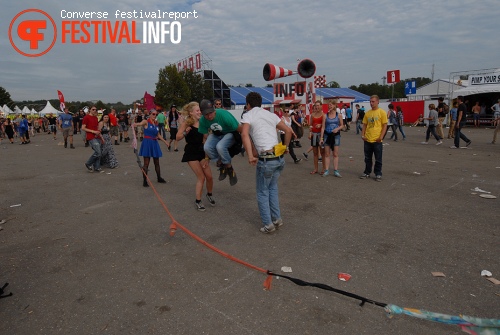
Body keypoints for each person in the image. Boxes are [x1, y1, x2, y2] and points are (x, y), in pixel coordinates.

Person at [241, 92, 292, 234]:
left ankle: (268, 224)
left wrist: (250, 155)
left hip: (266, 159)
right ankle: (277, 219)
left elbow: (244, 134)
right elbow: (288, 131)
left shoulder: (248, 114)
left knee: (262, 192)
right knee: (272, 188)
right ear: (261, 103)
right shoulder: (271, 115)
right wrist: (286, 147)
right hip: (278, 158)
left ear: (248, 105)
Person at [176, 102, 215, 211]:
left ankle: (209, 194)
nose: (200, 112)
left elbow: (205, 141)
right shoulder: (186, 123)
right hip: (191, 152)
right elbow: (177, 137)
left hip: (202, 151)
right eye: (197, 110)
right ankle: (198, 201)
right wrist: (185, 133)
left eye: (200, 110)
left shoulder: (203, 123)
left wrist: (207, 157)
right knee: (201, 177)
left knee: (210, 176)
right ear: (191, 112)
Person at [199, 99, 242, 186]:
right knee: (206, 147)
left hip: (230, 133)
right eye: (206, 114)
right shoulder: (202, 120)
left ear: (214, 110)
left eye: (210, 113)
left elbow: (240, 128)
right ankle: (222, 164)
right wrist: (207, 157)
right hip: (216, 134)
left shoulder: (223, 115)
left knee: (220, 146)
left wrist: (245, 144)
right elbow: (205, 138)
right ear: (202, 113)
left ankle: (229, 169)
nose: (209, 116)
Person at [134, 109, 170, 187]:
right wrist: (135, 124)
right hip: (147, 143)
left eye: (156, 114)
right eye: (153, 114)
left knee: (156, 162)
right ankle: (145, 181)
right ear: (150, 114)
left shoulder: (156, 123)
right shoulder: (146, 121)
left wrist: (165, 142)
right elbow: (140, 123)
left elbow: (158, 135)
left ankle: (159, 177)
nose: (155, 116)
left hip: (154, 143)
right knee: (146, 163)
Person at [360, 95, 387, 182]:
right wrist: (363, 135)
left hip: (377, 140)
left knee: (378, 158)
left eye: (373, 101)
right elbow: (364, 125)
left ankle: (378, 173)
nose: (371, 103)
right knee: (367, 158)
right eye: (370, 101)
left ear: (378, 102)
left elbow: (384, 125)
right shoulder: (367, 113)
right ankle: (367, 172)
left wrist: (381, 137)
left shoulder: (382, 112)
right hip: (368, 139)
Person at [319, 100, 343, 177]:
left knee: (335, 153)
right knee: (327, 153)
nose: (330, 106)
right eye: (329, 105)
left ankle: (336, 170)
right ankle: (326, 170)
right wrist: (321, 138)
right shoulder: (325, 115)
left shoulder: (338, 115)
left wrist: (337, 129)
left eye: (331, 105)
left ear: (335, 105)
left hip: (336, 135)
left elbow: (342, 125)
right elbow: (323, 127)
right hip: (327, 135)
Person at [82, 106, 104, 173]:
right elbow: (83, 128)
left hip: (97, 136)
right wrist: (93, 131)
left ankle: (97, 167)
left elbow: (97, 127)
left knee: (98, 152)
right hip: (91, 137)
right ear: (90, 110)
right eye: (93, 109)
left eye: (95, 109)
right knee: (98, 152)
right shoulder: (86, 117)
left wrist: (101, 137)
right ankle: (88, 163)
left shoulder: (95, 118)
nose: (94, 110)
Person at [308, 100, 326, 175]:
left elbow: (324, 126)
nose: (317, 107)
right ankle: (316, 168)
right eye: (316, 105)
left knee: (322, 152)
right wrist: (310, 131)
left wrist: (320, 125)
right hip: (314, 134)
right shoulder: (312, 115)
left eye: (318, 105)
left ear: (321, 106)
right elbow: (310, 125)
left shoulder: (323, 115)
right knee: (315, 153)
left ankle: (324, 168)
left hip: (321, 135)